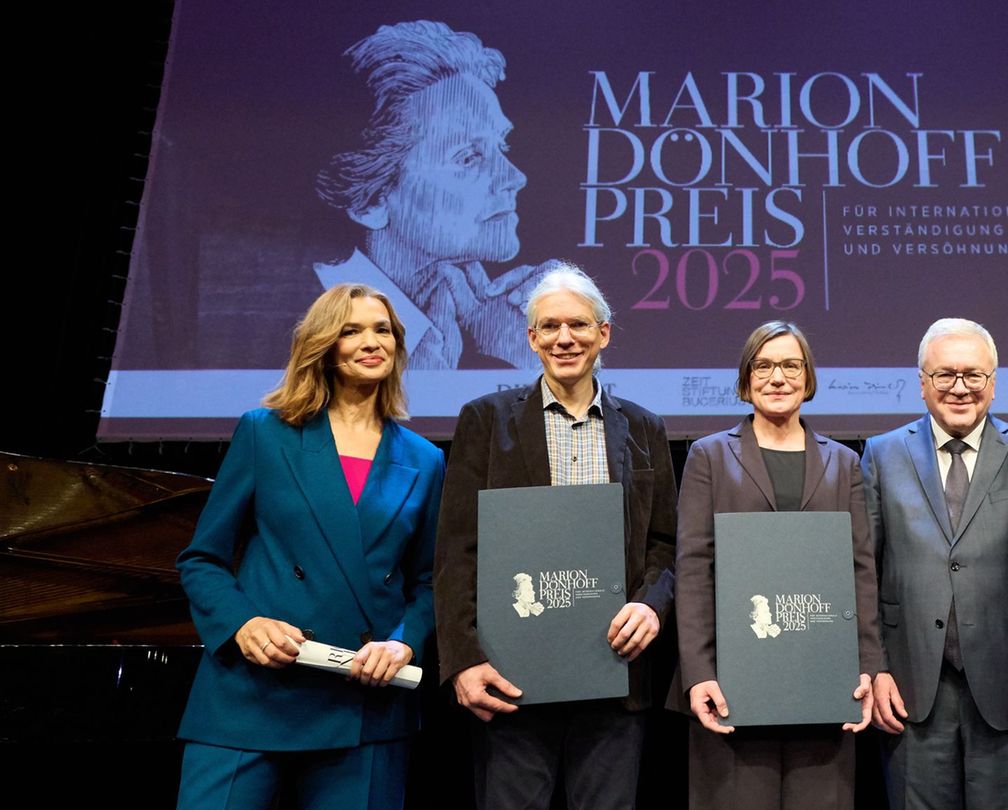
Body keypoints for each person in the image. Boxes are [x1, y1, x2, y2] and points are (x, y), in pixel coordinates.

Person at [174, 284, 444, 809]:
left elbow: (431, 580)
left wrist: (403, 643)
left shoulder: (425, 459)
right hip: (251, 694)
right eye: (351, 330)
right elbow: (202, 559)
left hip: (365, 702)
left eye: (383, 330)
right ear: (324, 345)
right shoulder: (265, 433)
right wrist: (243, 623)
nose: (371, 342)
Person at [433, 264, 678, 809]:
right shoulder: (485, 421)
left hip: (614, 675)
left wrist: (651, 606)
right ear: (531, 338)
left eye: (578, 325)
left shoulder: (644, 427)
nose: (564, 338)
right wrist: (464, 660)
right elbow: (456, 552)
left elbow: (665, 543)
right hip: (512, 676)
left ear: (603, 333)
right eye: (549, 326)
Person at [859, 318, 1008, 809]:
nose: (959, 388)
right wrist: (873, 668)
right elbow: (864, 575)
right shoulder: (881, 455)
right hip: (909, 692)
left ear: (993, 382)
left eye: (973, 375)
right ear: (922, 383)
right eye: (945, 375)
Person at [673, 321, 880, 810]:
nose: (778, 377)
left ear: (808, 378)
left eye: (791, 365)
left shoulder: (843, 463)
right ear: (746, 379)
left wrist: (867, 666)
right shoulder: (709, 456)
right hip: (733, 685)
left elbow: (859, 570)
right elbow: (693, 569)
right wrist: (698, 673)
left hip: (822, 681)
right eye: (763, 366)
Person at [316, 20, 543, 369]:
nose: (515, 177)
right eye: (467, 157)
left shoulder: (489, 315)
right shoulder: (294, 325)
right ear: (371, 200)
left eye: (502, 145)